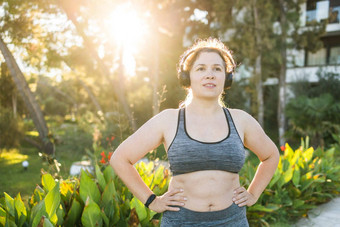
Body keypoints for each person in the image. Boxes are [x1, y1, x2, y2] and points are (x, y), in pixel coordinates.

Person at [110, 38, 280, 226]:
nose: (210, 75)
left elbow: (271, 155)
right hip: (181, 221)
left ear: (227, 77)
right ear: (187, 77)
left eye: (217, 69)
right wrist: (152, 200)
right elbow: (120, 158)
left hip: (232, 221)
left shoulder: (241, 120)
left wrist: (253, 194)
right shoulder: (169, 120)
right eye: (201, 69)